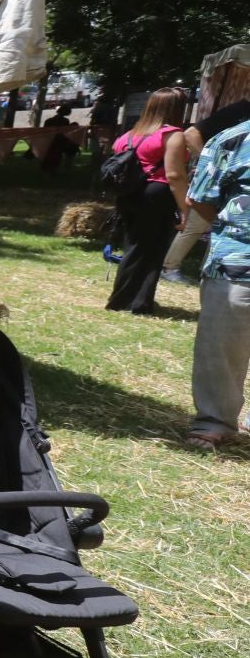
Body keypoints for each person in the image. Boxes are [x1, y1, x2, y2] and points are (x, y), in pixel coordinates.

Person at [185, 114, 250, 448]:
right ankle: (215, 419)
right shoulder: (232, 139)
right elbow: (201, 197)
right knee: (222, 347)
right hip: (237, 263)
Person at [104, 88, 188, 314]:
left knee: (135, 246)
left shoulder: (129, 135)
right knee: (151, 249)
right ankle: (127, 301)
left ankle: (138, 299)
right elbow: (174, 175)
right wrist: (185, 207)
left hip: (128, 194)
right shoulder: (172, 134)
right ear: (177, 108)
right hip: (156, 194)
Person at [162, 101, 250, 285]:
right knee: (196, 224)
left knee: (223, 226)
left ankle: (209, 271)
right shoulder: (241, 109)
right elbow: (191, 134)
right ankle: (170, 267)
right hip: (215, 182)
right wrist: (213, 163)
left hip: (235, 185)